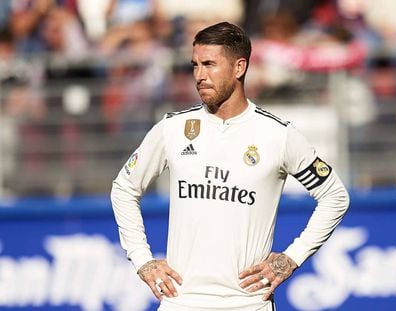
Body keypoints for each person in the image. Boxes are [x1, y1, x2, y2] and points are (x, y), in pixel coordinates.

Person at [111, 21, 350, 311]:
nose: (199, 75)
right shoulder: (173, 128)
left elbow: (335, 196)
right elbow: (124, 187)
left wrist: (291, 258)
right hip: (181, 302)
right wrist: (142, 260)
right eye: (195, 65)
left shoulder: (278, 135)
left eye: (209, 64)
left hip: (248, 303)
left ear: (239, 68)